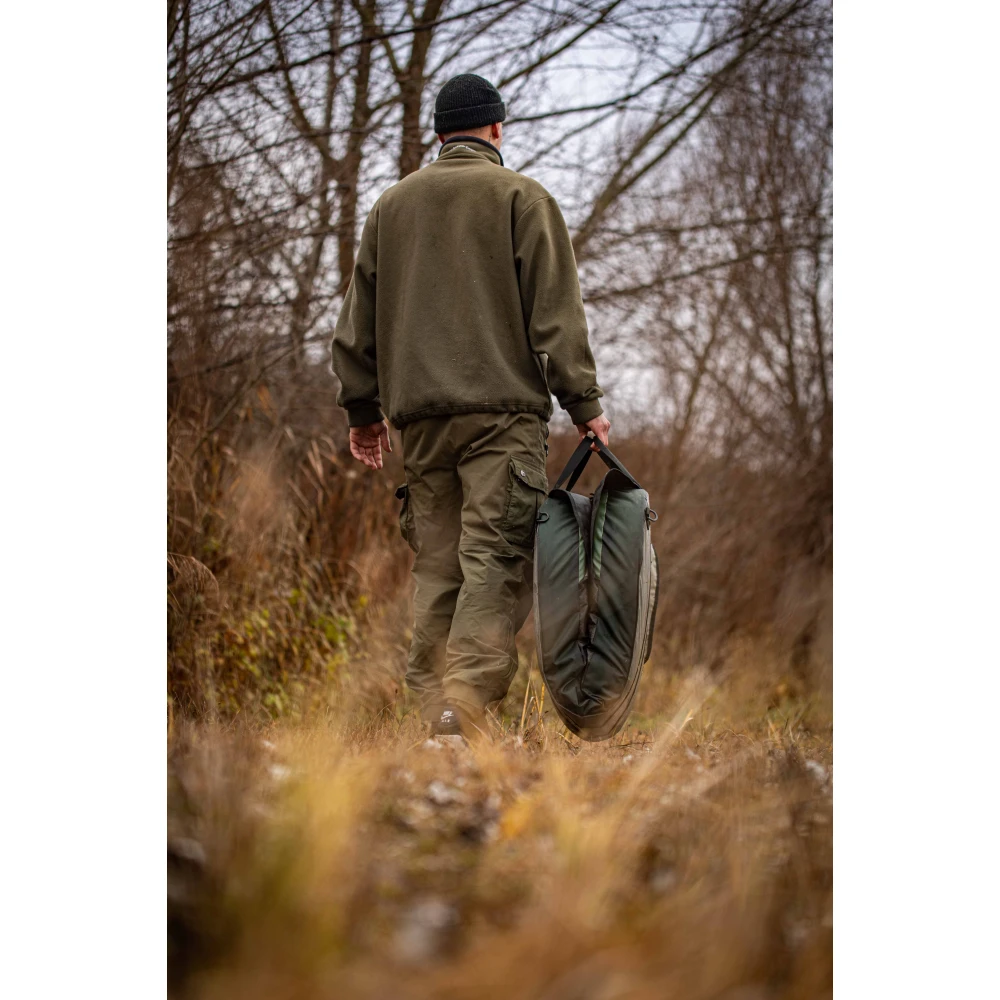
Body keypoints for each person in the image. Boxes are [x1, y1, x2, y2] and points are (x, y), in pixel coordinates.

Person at [331, 72, 609, 739]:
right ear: (496, 128)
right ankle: (463, 707)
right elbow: (556, 318)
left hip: (420, 422)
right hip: (503, 419)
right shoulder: (522, 197)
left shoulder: (391, 208)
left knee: (439, 560)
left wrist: (363, 413)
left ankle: (436, 713)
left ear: (438, 133)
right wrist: (585, 403)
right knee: (494, 556)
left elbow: (356, 326)